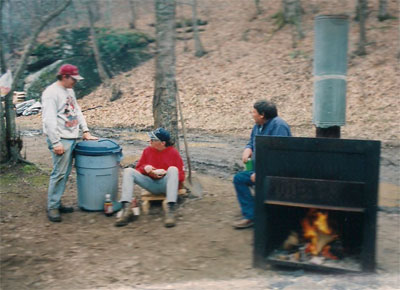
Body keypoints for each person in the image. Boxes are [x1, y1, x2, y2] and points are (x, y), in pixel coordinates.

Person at [42, 64, 98, 222]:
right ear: (65, 76)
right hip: (61, 139)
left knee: (65, 173)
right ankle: (52, 207)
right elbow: (49, 119)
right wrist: (55, 142)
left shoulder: (69, 91)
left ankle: (57, 202)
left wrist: (85, 130)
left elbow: (77, 110)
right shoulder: (51, 93)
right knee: (59, 173)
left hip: (72, 136)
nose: (75, 82)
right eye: (73, 79)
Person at [233, 100, 292, 229]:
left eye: (254, 112)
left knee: (241, 180)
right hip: (260, 169)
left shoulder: (279, 126)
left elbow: (278, 155)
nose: (252, 114)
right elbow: (251, 142)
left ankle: (251, 216)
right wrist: (248, 149)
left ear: (262, 114)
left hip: (275, 172)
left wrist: (261, 172)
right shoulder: (258, 125)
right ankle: (252, 212)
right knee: (239, 179)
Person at [115, 128, 185, 228]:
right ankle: (126, 209)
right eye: (150, 138)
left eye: (153, 139)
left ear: (162, 143)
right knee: (128, 171)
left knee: (173, 169)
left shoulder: (173, 153)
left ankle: (170, 211)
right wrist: (146, 169)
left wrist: (166, 173)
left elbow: (182, 176)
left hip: (166, 185)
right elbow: (138, 169)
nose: (150, 141)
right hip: (150, 183)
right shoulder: (147, 151)